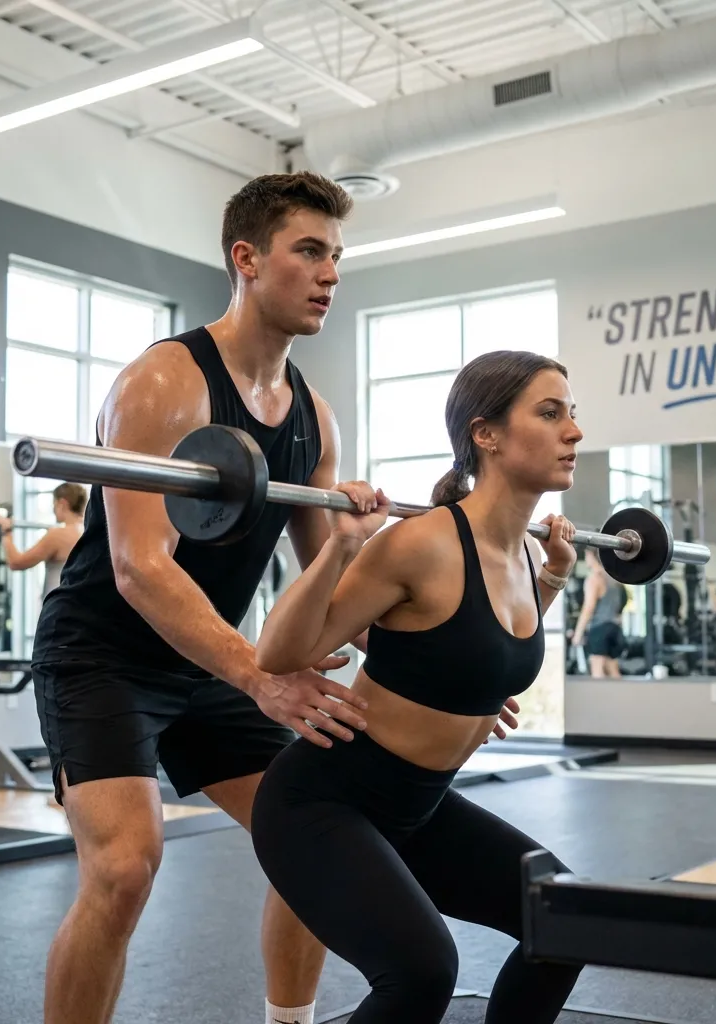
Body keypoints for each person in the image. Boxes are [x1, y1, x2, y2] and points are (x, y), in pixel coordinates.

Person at [27, 171, 519, 1024]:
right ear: (247, 259)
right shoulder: (165, 383)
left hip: (219, 658)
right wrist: (261, 675)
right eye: (309, 252)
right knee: (124, 868)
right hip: (106, 656)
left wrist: (459, 665)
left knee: (315, 833)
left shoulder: (313, 420)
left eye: (336, 256)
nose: (330, 273)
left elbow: (337, 579)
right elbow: (142, 568)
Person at [250, 350, 586, 1024]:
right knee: (422, 970)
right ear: (484, 434)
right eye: (550, 414)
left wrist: (552, 579)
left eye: (572, 415)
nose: (573, 431)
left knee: (565, 916)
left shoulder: (524, 552)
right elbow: (278, 653)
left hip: (420, 807)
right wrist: (342, 546)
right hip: (322, 804)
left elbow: (481, 647)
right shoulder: (420, 544)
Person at [0, 482, 87, 599]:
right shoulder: (89, 531)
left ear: (62, 503)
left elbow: (16, 563)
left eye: (54, 504)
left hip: (58, 609)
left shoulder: (58, 534)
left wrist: (6, 531)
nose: (53, 509)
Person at [571, 546, 626, 677]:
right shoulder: (615, 579)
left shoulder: (594, 579)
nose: (586, 559)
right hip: (614, 628)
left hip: (600, 628)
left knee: (597, 670)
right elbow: (621, 604)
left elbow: (588, 607)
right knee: (613, 669)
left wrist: (578, 633)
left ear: (592, 555)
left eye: (587, 556)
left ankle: (600, 698)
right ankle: (622, 697)